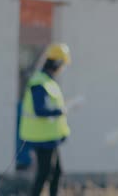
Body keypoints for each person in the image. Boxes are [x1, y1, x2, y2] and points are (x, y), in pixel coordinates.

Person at [19, 43, 72, 196]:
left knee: (56, 173)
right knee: (44, 174)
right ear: (58, 63)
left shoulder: (48, 81)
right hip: (41, 136)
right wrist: (60, 111)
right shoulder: (40, 82)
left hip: (50, 136)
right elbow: (40, 109)